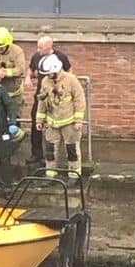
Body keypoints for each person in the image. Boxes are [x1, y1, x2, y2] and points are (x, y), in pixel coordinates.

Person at [35, 54, 86, 186]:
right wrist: (39, 119)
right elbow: (42, 101)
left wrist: (78, 120)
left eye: (49, 73)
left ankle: (74, 175)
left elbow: (79, 99)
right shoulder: (45, 81)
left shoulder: (71, 80)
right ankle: (50, 175)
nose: (47, 76)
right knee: (50, 150)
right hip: (52, 122)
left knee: (72, 149)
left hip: (69, 122)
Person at [25, 36, 72, 164]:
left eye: (40, 47)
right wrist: (28, 77)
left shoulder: (60, 57)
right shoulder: (36, 56)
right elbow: (30, 68)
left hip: (56, 96)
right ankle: (36, 153)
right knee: (36, 122)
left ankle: (53, 156)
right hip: (41, 95)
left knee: (54, 126)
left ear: (48, 46)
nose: (38, 49)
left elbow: (69, 71)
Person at [0, 27, 27, 145]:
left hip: (13, 94)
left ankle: (15, 146)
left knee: (14, 118)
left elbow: (20, 69)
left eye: (1, 47)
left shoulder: (17, 51)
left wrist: (6, 73)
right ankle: (1, 144)